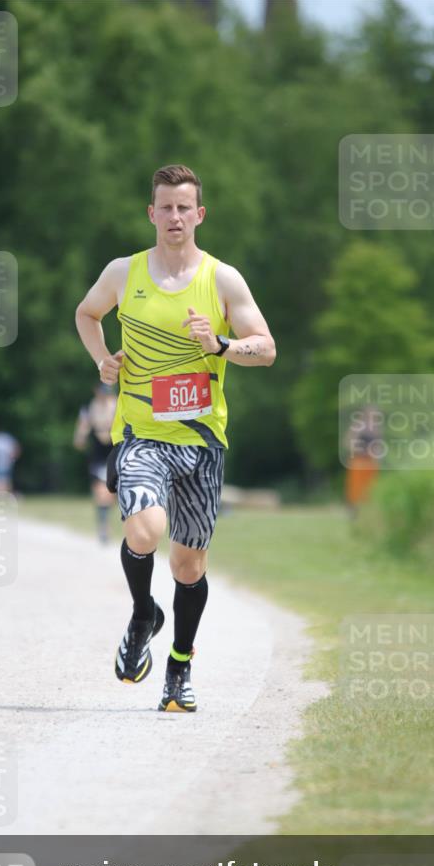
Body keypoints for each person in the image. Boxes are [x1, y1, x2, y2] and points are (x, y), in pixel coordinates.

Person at [75, 164, 276, 712]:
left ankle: (179, 667)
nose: (175, 216)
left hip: (202, 444)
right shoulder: (124, 273)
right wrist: (102, 359)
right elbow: (87, 314)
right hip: (141, 434)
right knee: (145, 529)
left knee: (188, 566)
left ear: (199, 215)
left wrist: (221, 345)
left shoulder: (222, 279)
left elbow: (266, 347)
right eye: (165, 207)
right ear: (151, 213)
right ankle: (143, 613)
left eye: (184, 207)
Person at [74, 383, 118, 543]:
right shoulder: (89, 408)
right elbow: (81, 431)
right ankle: (103, 527)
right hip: (98, 454)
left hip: (114, 451)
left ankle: (106, 523)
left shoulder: (118, 405)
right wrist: (81, 436)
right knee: (100, 491)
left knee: (110, 493)